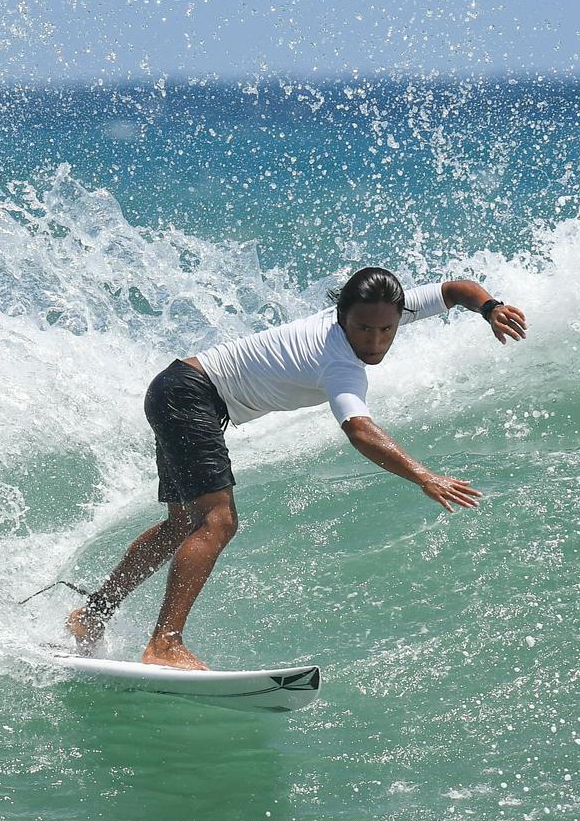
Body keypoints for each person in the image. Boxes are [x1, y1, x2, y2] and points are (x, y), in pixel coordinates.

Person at [66, 266, 527, 669]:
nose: (375, 340)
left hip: (176, 387)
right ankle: (164, 643)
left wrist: (490, 308)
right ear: (341, 315)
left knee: (183, 525)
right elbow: (360, 430)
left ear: (400, 315)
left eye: (386, 330)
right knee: (218, 521)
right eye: (363, 329)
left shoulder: (389, 310)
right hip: (191, 396)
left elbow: (454, 290)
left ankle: (91, 616)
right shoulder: (340, 363)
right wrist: (425, 476)